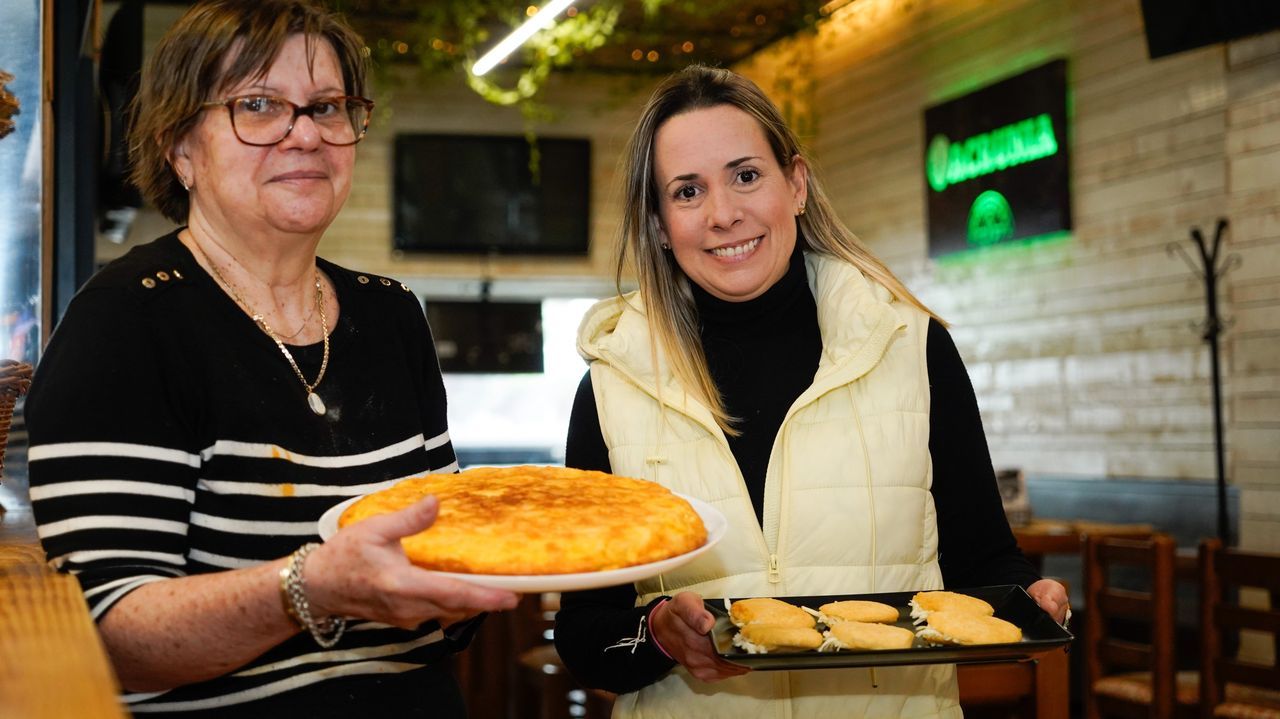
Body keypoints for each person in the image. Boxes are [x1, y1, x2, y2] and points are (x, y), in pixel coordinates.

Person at [23, 1, 517, 715]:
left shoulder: (391, 313)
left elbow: (444, 551)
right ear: (179, 146)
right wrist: (309, 587)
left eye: (327, 107)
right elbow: (110, 637)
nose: (305, 134)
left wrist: (487, 568)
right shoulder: (128, 318)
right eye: (258, 105)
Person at [554, 65, 1070, 717]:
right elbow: (582, 635)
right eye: (687, 191)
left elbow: (983, 560)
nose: (723, 213)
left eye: (746, 175)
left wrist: (1032, 596)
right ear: (659, 223)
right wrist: (658, 635)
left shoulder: (912, 347)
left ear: (795, 184)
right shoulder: (610, 384)